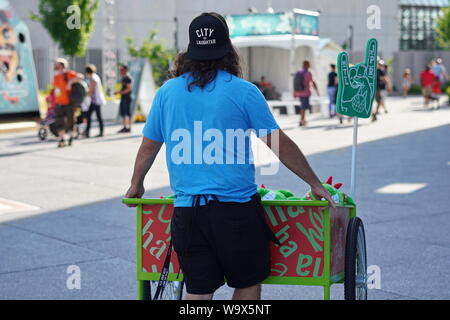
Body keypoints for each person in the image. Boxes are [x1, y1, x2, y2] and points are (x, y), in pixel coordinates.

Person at [124, 12, 335, 301]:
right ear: (228, 51)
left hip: (188, 213)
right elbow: (278, 144)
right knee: (247, 284)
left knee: (197, 293)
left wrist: (136, 184)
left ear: (190, 52)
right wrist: (314, 182)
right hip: (236, 211)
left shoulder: (167, 93)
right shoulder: (244, 92)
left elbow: (149, 147)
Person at [52, 58, 84, 148]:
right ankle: (62, 139)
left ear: (62, 65)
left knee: (71, 122)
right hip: (59, 103)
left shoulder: (68, 74)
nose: (55, 67)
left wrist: (70, 82)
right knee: (59, 122)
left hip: (69, 103)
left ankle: (70, 138)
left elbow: (81, 77)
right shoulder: (55, 77)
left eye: (57, 65)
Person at [294, 60, 319, 127]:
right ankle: (301, 121)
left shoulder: (299, 72)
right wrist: (317, 91)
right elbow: (313, 82)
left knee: (303, 106)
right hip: (306, 92)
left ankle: (303, 120)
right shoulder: (308, 73)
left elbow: (296, 83)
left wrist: (295, 92)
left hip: (300, 92)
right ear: (307, 65)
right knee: (303, 107)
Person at [84, 64, 106, 137]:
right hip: (95, 100)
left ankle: (91, 131)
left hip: (96, 100)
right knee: (93, 116)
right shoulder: (95, 77)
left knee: (93, 116)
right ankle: (89, 131)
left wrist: (85, 97)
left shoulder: (93, 79)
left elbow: (91, 91)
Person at [115, 65, 133, 133]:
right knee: (123, 113)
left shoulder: (128, 78)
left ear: (126, 70)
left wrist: (120, 92)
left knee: (127, 113)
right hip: (123, 97)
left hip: (127, 98)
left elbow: (129, 88)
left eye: (122, 70)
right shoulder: (124, 78)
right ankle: (125, 127)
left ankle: (129, 127)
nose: (121, 71)